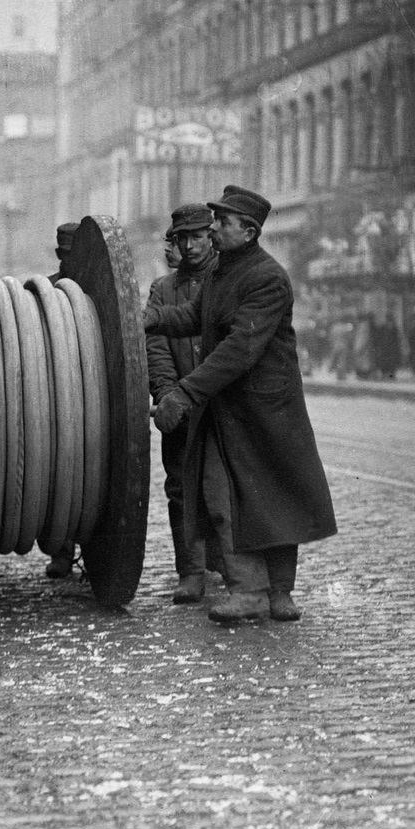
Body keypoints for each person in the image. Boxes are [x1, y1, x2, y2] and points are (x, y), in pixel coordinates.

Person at [144, 185, 337, 624]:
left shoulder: (267, 277)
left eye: (222, 222)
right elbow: (196, 316)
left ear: (247, 231)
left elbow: (238, 348)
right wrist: (153, 318)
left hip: (267, 411)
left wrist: (186, 392)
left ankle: (278, 591)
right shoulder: (222, 273)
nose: (212, 229)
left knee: (274, 499)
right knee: (226, 498)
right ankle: (251, 591)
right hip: (233, 410)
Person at [145, 203, 218, 604]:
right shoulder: (163, 289)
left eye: (197, 237)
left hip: (220, 406)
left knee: (224, 485)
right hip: (180, 410)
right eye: (181, 239)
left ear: (211, 237)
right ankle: (190, 571)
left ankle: (224, 560)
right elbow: (156, 347)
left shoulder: (224, 280)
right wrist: (168, 394)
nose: (189, 246)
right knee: (181, 489)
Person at [45, 221, 81, 578]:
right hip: (59, 398)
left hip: (95, 398)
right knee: (63, 477)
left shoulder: (104, 288)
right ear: (60, 256)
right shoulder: (48, 290)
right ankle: (61, 551)